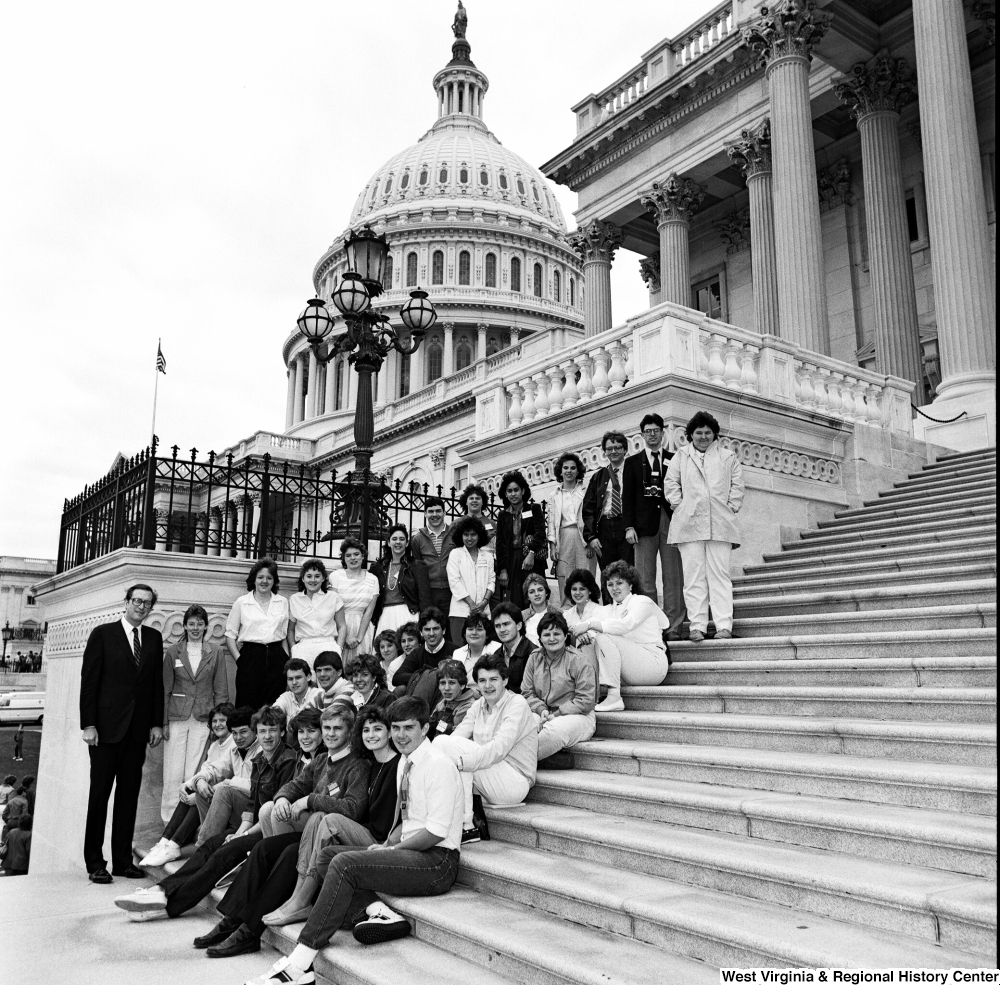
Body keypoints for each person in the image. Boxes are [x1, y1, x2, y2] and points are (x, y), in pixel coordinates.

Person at [248, 697, 465, 985]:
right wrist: (388, 844)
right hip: (412, 852)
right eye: (396, 727)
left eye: (408, 728)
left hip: (438, 862)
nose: (400, 735)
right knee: (327, 857)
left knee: (344, 863)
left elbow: (435, 832)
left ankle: (299, 963)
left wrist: (394, 849)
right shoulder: (406, 762)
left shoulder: (437, 765)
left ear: (425, 728)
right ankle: (377, 910)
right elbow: (405, 820)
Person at [194, 705, 398, 953]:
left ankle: (252, 927)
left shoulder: (358, 765)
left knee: (284, 851)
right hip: (312, 837)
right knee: (265, 842)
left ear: (349, 732)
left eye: (338, 728)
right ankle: (232, 921)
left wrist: (310, 800)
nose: (331, 733)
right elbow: (294, 786)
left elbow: (352, 810)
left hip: (330, 837)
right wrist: (282, 799)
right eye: (327, 728)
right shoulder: (322, 759)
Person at [113, 705, 296, 923]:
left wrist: (243, 836)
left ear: (282, 732)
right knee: (210, 845)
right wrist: (239, 831)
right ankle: (161, 890)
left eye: (272, 731)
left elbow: (271, 810)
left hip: (269, 831)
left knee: (221, 854)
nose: (267, 736)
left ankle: (167, 906)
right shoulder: (260, 761)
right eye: (263, 731)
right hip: (251, 826)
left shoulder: (288, 760)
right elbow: (252, 805)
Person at [80, 583, 164, 883]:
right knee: (99, 796)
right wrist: (88, 724)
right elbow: (89, 681)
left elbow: (155, 684)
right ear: (126, 602)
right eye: (137, 601)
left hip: (137, 732)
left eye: (147, 603)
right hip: (104, 732)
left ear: (151, 608)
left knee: (128, 798)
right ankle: (94, 863)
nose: (141, 607)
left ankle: (122, 862)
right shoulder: (103, 634)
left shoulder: (154, 638)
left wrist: (156, 723)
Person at [436, 651, 537, 842]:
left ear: (505, 681)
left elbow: (499, 748)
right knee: (443, 742)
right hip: (487, 775)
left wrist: (461, 761)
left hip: (515, 781)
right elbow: (456, 737)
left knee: (461, 758)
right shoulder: (478, 705)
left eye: (494, 679)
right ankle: (464, 826)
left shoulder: (517, 704)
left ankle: (466, 825)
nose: (488, 685)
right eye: (482, 680)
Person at [665, 410, 745, 643]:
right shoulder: (681, 456)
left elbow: (738, 486)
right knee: (693, 577)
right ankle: (697, 626)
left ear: (714, 434)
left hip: (720, 523)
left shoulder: (727, 457)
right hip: (688, 523)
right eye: (698, 432)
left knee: (719, 575)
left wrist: (730, 507)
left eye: (707, 432)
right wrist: (679, 506)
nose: (703, 436)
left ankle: (723, 625)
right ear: (690, 434)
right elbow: (671, 483)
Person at [141, 701, 235, 867]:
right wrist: (188, 785)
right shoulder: (214, 746)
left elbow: (221, 772)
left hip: (226, 798)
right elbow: (206, 769)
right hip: (211, 793)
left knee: (197, 796)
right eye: (214, 721)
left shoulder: (233, 744)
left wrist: (198, 791)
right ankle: (165, 842)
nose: (218, 724)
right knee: (190, 790)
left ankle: (174, 845)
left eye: (222, 720)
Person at [160, 603, 230, 825]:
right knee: (172, 772)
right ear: (184, 626)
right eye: (191, 624)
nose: (196, 628)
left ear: (206, 626)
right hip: (177, 717)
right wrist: (162, 723)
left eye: (200, 623)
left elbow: (221, 690)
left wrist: (221, 724)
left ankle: (186, 823)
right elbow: (165, 689)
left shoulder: (215, 652)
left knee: (194, 771)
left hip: (203, 718)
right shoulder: (173, 652)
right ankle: (168, 822)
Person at [574, 561, 670, 713]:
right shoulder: (605, 611)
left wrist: (590, 624)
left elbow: (626, 625)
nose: (614, 588)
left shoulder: (642, 602)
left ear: (630, 585)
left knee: (604, 636)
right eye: (610, 584)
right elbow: (593, 635)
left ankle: (614, 696)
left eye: (619, 583)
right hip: (627, 670)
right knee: (588, 641)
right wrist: (585, 633)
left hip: (653, 664)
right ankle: (591, 696)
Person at [521, 612, 597, 767]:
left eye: (557, 633)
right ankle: (554, 759)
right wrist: (541, 709)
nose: (552, 638)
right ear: (540, 638)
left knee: (553, 731)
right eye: (546, 634)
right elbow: (527, 692)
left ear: (565, 636)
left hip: (578, 716)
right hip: (543, 713)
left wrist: (557, 714)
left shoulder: (578, 660)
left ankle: (513, 761)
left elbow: (586, 700)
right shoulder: (534, 658)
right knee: (524, 725)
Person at [187, 706, 260, 849]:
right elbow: (215, 768)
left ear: (254, 730)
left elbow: (258, 786)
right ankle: (213, 841)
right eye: (234, 733)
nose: (238, 738)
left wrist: (229, 782)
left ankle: (202, 847)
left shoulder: (262, 749)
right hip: (237, 809)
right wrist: (200, 780)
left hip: (255, 810)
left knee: (224, 791)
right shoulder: (234, 750)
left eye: (243, 732)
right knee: (202, 793)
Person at [226, 558, 289, 710]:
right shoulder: (242, 602)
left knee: (273, 706)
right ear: (253, 579)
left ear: (274, 581)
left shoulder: (282, 602)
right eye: (260, 577)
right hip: (250, 657)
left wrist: (286, 659)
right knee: (247, 704)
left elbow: (284, 636)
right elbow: (230, 636)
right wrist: (240, 660)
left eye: (269, 578)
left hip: (276, 657)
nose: (264, 581)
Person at [582, 431, 634, 604]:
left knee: (627, 572)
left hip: (626, 526)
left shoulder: (632, 471)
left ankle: (627, 612)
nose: (613, 451)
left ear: (625, 449)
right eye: (609, 448)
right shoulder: (598, 477)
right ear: (604, 451)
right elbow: (588, 508)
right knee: (607, 573)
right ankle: (610, 614)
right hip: (604, 527)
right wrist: (591, 536)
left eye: (618, 447)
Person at [495, 470, 546, 610]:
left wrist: (531, 553)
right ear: (505, 494)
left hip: (531, 558)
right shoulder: (503, 515)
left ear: (523, 491)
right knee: (515, 600)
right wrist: (503, 569)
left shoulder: (534, 509)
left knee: (535, 596)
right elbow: (500, 544)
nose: (513, 494)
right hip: (512, 560)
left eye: (516, 490)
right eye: (509, 491)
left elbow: (540, 533)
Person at [546, 451, 595, 599]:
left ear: (578, 470)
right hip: (564, 536)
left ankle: (587, 613)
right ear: (560, 471)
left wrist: (590, 540)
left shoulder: (586, 491)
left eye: (573, 468)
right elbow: (551, 522)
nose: (569, 471)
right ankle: (567, 614)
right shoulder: (554, 495)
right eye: (565, 468)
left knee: (585, 576)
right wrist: (553, 545)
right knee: (565, 576)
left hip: (583, 537)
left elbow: (591, 516)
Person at [286, 560, 347, 670]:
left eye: (317, 576)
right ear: (303, 578)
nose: (313, 580)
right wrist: (293, 648)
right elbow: (290, 629)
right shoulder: (294, 599)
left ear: (323, 578)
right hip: (303, 648)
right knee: (304, 684)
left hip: (328, 646)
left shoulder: (333, 597)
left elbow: (342, 626)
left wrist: (338, 648)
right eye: (309, 576)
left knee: (328, 683)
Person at [330, 537, 380, 664]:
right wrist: (344, 636)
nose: (353, 558)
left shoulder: (373, 579)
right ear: (344, 558)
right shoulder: (335, 576)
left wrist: (358, 639)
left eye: (356, 554)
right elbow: (331, 608)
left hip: (363, 630)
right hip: (338, 627)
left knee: (361, 667)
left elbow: (369, 612)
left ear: (363, 556)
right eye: (348, 555)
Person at [446, 516, 495, 645]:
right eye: (466, 534)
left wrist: (484, 602)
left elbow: (491, 581)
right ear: (460, 536)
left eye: (473, 534)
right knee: (460, 650)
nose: (469, 538)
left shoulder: (488, 556)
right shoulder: (456, 554)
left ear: (479, 536)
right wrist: (472, 604)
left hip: (483, 611)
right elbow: (454, 582)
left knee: (483, 650)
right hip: (460, 611)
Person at [370, 525, 424, 638]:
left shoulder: (417, 566)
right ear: (389, 543)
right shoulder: (378, 567)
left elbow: (424, 598)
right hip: (385, 615)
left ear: (407, 543)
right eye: (394, 539)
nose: (398, 542)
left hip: (409, 614)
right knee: (385, 650)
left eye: (402, 539)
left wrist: (424, 622)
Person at [410, 497, 456, 624]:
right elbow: (417, 567)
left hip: (451, 590)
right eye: (430, 511)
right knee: (431, 626)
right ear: (425, 513)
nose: (434, 515)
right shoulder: (417, 539)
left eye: (438, 511)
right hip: (429, 592)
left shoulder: (455, 535)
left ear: (444, 512)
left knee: (450, 628)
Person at [392, 607, 455, 687]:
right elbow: (397, 678)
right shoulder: (417, 653)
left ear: (443, 630)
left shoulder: (455, 651)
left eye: (435, 629)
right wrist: (426, 676)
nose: (431, 634)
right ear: (421, 632)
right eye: (427, 629)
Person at [428, 659, 477, 739]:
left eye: (452, 683)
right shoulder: (442, 703)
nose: (446, 688)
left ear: (462, 685)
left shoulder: (469, 706)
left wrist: (438, 724)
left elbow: (457, 736)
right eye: (443, 683)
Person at [492, 602, 534, 695]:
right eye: (497, 626)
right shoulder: (496, 654)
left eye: (506, 624)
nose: (502, 630)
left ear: (519, 625)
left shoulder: (533, 653)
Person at [271, 658, 323, 729]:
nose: (294, 682)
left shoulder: (318, 694)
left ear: (308, 677)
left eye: (298, 677)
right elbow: (272, 715)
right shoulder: (286, 697)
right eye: (290, 679)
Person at [453, 612, 501, 681]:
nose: (474, 633)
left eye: (479, 629)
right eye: (470, 629)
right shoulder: (458, 653)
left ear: (487, 634)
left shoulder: (497, 649)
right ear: (464, 634)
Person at [521, 573, 563, 646]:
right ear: (527, 596)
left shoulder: (558, 612)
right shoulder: (522, 616)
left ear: (546, 592)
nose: (537, 594)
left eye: (540, 590)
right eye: (532, 592)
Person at [459, 484, 497, 554]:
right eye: (471, 498)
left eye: (477, 498)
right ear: (466, 502)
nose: (474, 500)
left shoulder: (492, 524)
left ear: (483, 502)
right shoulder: (457, 523)